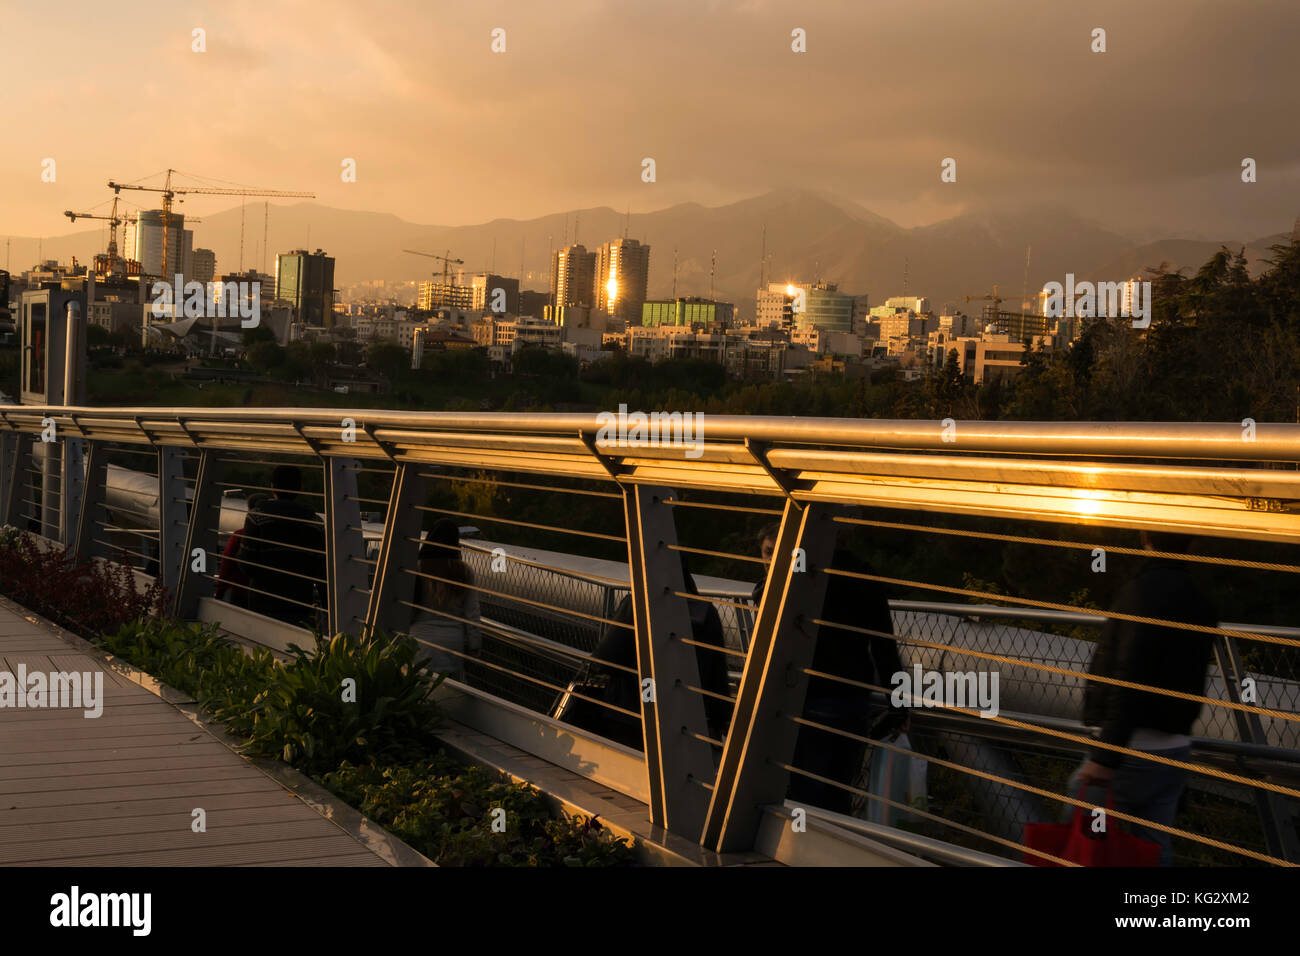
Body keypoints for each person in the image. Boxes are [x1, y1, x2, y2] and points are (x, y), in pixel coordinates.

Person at [1066, 529, 1218, 866]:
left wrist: (1106, 756)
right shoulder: (1200, 599)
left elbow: (1130, 677)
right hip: (1175, 749)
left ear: (1144, 537)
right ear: (1193, 542)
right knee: (1152, 849)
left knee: (1082, 830)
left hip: (1133, 750)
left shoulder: (1141, 593)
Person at [752, 523, 906, 816]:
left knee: (804, 793)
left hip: (804, 699)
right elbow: (884, 644)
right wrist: (899, 705)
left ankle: (805, 849)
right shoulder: (861, 574)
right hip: (850, 698)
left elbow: (764, 604)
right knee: (838, 791)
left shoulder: (797, 577)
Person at [557, 553, 733, 751]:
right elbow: (716, 674)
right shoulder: (706, 613)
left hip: (632, 712)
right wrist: (720, 718)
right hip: (686, 718)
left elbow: (606, 658)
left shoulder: (637, 604)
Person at [239, 465, 327, 626]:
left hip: (262, 599)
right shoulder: (315, 523)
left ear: (272, 486)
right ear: (301, 488)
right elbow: (320, 569)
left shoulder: (257, 517)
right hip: (300, 602)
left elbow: (247, 563)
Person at [409, 518, 481, 682]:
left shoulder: (417, 567)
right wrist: (474, 646)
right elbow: (472, 613)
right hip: (452, 645)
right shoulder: (464, 571)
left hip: (420, 641)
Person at [215, 493, 267, 607]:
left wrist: (219, 593)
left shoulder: (240, 535)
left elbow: (226, 566)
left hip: (240, 593)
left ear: (249, 510)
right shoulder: (275, 537)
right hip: (266, 595)